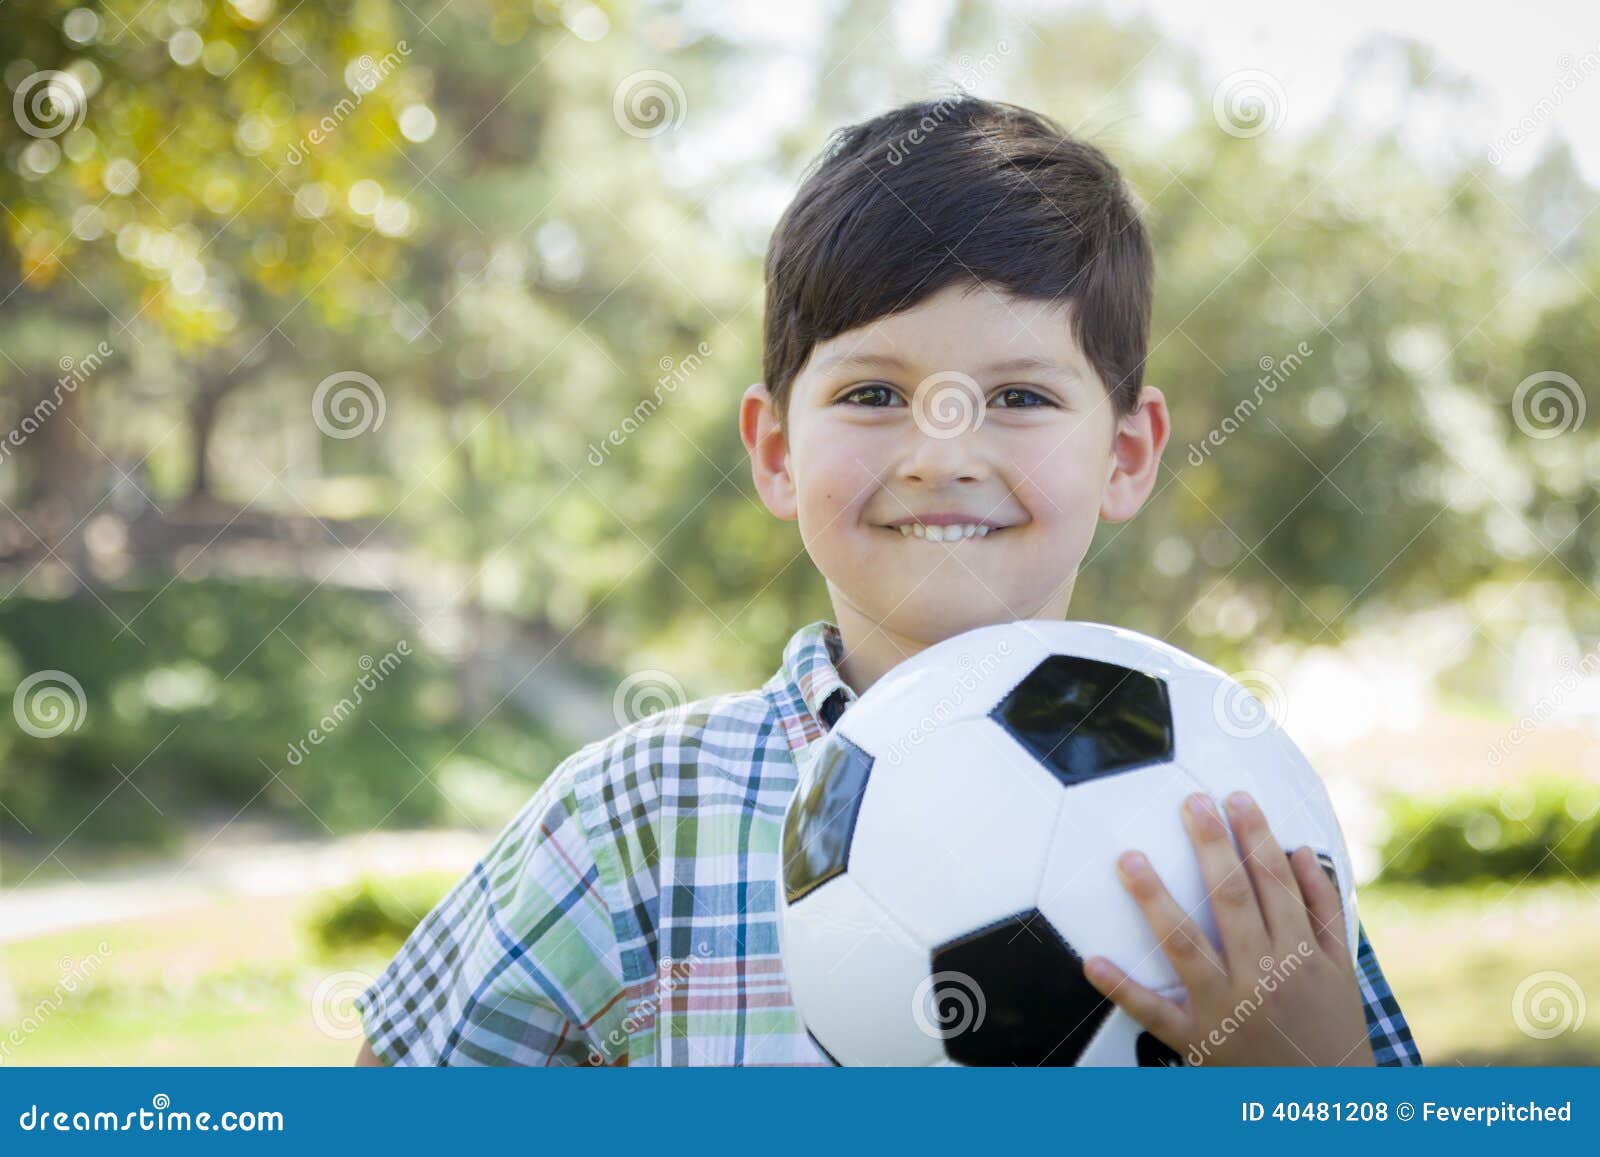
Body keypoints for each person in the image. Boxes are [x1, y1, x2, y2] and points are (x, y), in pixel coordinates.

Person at [354, 95, 1421, 1067]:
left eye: (1020, 397)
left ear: (1127, 454)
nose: (942, 454)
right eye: (873, 392)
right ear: (776, 450)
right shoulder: (633, 817)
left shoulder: (1233, 812)